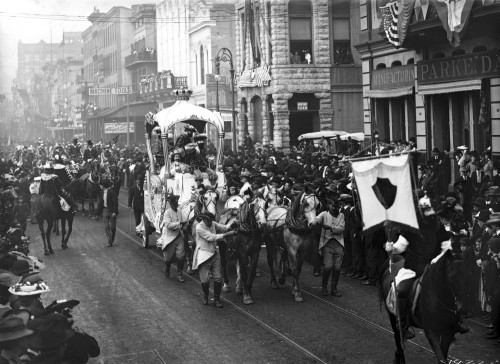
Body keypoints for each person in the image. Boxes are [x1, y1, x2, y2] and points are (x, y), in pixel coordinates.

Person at [385, 194, 470, 339]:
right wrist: (391, 248)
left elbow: (446, 247)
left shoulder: (438, 226)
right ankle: (403, 324)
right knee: (401, 290)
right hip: (412, 268)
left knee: (452, 285)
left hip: (433, 266)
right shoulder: (411, 227)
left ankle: (456, 321)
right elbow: (401, 246)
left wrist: (436, 260)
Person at [192, 212, 237, 307]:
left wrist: (233, 224)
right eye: (208, 221)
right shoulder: (199, 227)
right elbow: (211, 237)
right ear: (203, 219)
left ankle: (217, 299)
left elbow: (224, 227)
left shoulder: (212, 223)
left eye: (211, 220)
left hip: (214, 254)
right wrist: (228, 234)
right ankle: (205, 295)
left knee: (218, 278)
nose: (210, 223)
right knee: (205, 280)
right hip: (203, 256)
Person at [315, 199, 345, 297]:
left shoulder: (342, 215)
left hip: (339, 244)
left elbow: (341, 229)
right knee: (328, 267)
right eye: (333, 206)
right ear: (329, 206)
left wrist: (331, 228)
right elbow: (316, 220)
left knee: (337, 267)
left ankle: (334, 289)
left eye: (337, 207)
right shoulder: (324, 214)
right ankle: (324, 287)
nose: (335, 208)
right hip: (327, 243)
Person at [159, 194, 186, 283]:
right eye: (173, 203)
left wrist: (185, 226)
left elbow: (182, 225)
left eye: (176, 203)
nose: (175, 205)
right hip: (170, 237)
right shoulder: (167, 212)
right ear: (170, 204)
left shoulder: (179, 211)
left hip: (179, 236)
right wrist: (179, 223)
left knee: (181, 256)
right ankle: (167, 267)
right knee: (168, 259)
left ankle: (179, 274)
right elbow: (168, 225)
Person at [98, 180, 118, 247]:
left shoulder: (111, 192)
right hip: (105, 210)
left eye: (100, 185)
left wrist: (115, 212)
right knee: (106, 226)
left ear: (103, 186)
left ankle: (112, 238)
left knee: (113, 227)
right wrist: (98, 213)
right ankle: (110, 241)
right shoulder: (101, 192)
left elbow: (115, 202)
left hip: (112, 210)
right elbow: (100, 203)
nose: (99, 186)